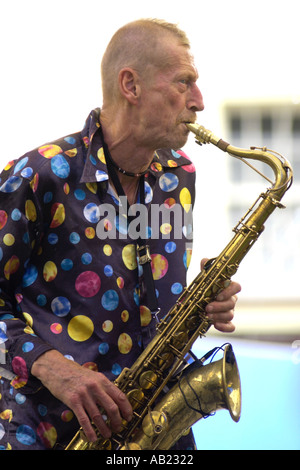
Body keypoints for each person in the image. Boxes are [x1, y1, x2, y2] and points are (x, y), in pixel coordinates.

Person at [0, 18, 241, 450]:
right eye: (184, 83)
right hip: (45, 430)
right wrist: (50, 365)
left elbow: (152, 300)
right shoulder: (41, 175)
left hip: (149, 432)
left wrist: (201, 302)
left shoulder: (177, 176)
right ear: (130, 86)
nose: (199, 102)